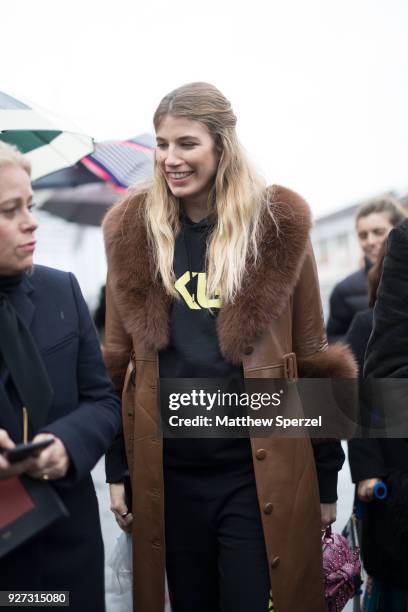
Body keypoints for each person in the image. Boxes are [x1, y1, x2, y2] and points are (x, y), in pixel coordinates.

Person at [103, 82, 356, 612]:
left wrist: (327, 480)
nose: (170, 159)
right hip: (166, 478)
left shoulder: (277, 227)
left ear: (222, 144)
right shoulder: (133, 231)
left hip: (253, 471)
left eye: (186, 144)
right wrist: (117, 470)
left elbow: (313, 358)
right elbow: (115, 361)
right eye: (162, 143)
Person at [0, 141, 121, 611]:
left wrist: (64, 445)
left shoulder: (60, 291)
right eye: (9, 211)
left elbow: (103, 401)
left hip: (62, 552)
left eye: (28, 205)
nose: (31, 222)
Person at [350, 219, 408, 610]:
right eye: (362, 233)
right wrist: (367, 472)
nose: (370, 241)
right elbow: (365, 390)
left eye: (376, 231)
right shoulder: (356, 313)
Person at [326, 197, 405, 343]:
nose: (370, 241)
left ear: (399, 230)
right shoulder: (343, 290)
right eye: (363, 236)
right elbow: (332, 341)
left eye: (378, 232)